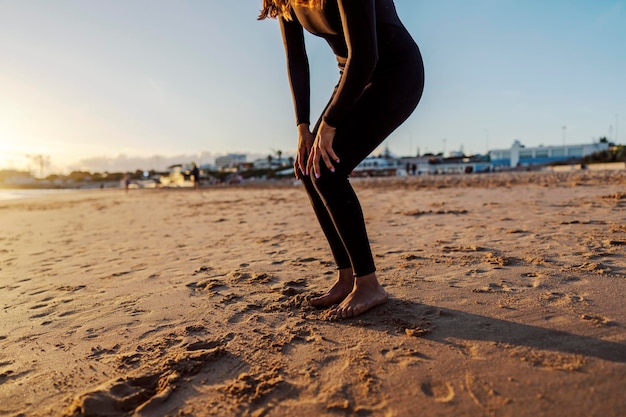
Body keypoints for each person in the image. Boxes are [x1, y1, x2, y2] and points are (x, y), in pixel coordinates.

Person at [259, 0, 424, 319]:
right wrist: (303, 127)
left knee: (328, 171)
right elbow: (297, 59)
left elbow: (366, 55)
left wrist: (331, 124)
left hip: (395, 72)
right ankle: (346, 276)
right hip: (352, 77)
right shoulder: (284, 1)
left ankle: (369, 284)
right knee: (311, 166)